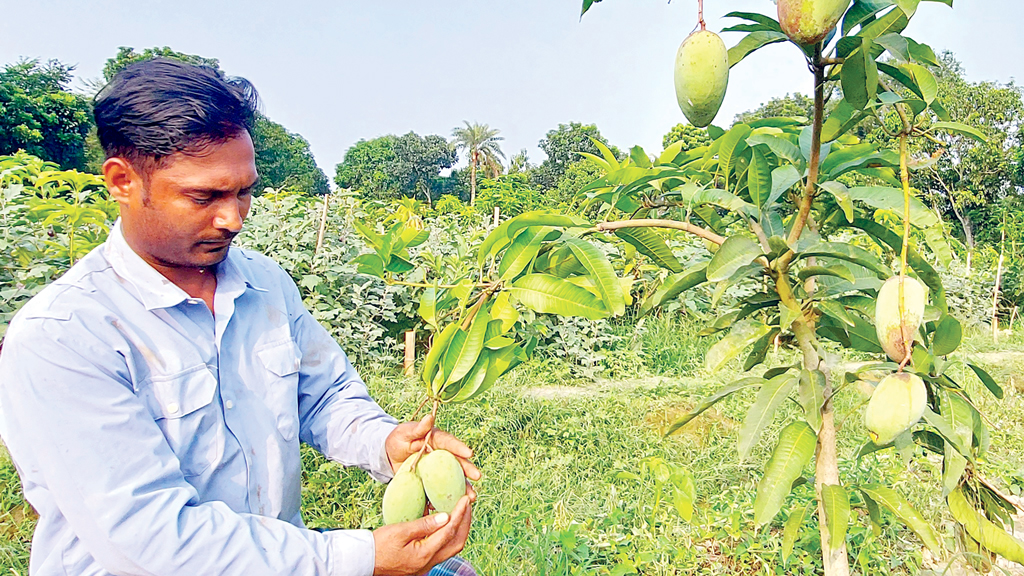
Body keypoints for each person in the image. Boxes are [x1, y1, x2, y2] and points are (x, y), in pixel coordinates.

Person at [0, 58, 479, 576]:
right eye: (204, 196)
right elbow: (153, 540)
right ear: (122, 181)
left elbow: (323, 396)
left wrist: (382, 440)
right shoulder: (65, 336)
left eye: (243, 191)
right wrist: (361, 557)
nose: (233, 218)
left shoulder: (264, 284)